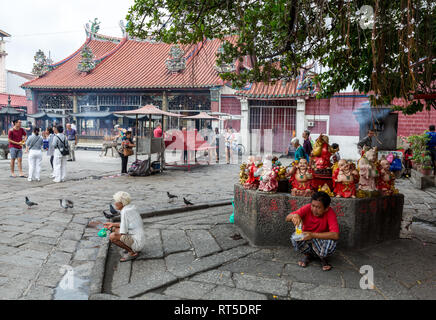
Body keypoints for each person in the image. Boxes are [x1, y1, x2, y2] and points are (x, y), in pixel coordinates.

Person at [285, 191, 339, 271]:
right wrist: (294, 216)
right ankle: (308, 255)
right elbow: (287, 218)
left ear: (326, 208)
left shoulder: (330, 212)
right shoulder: (307, 208)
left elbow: (335, 235)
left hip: (320, 241)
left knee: (331, 242)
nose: (314, 209)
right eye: (313, 206)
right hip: (307, 239)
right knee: (295, 237)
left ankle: (323, 258)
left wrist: (312, 235)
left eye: (318, 207)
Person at [103, 191, 146, 262]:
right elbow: (126, 224)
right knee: (114, 228)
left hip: (137, 243)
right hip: (140, 239)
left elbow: (123, 232)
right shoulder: (130, 208)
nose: (115, 203)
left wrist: (110, 229)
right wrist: (112, 224)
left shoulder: (125, 212)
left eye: (116, 201)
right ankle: (129, 248)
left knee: (112, 236)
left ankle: (132, 252)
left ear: (122, 203)